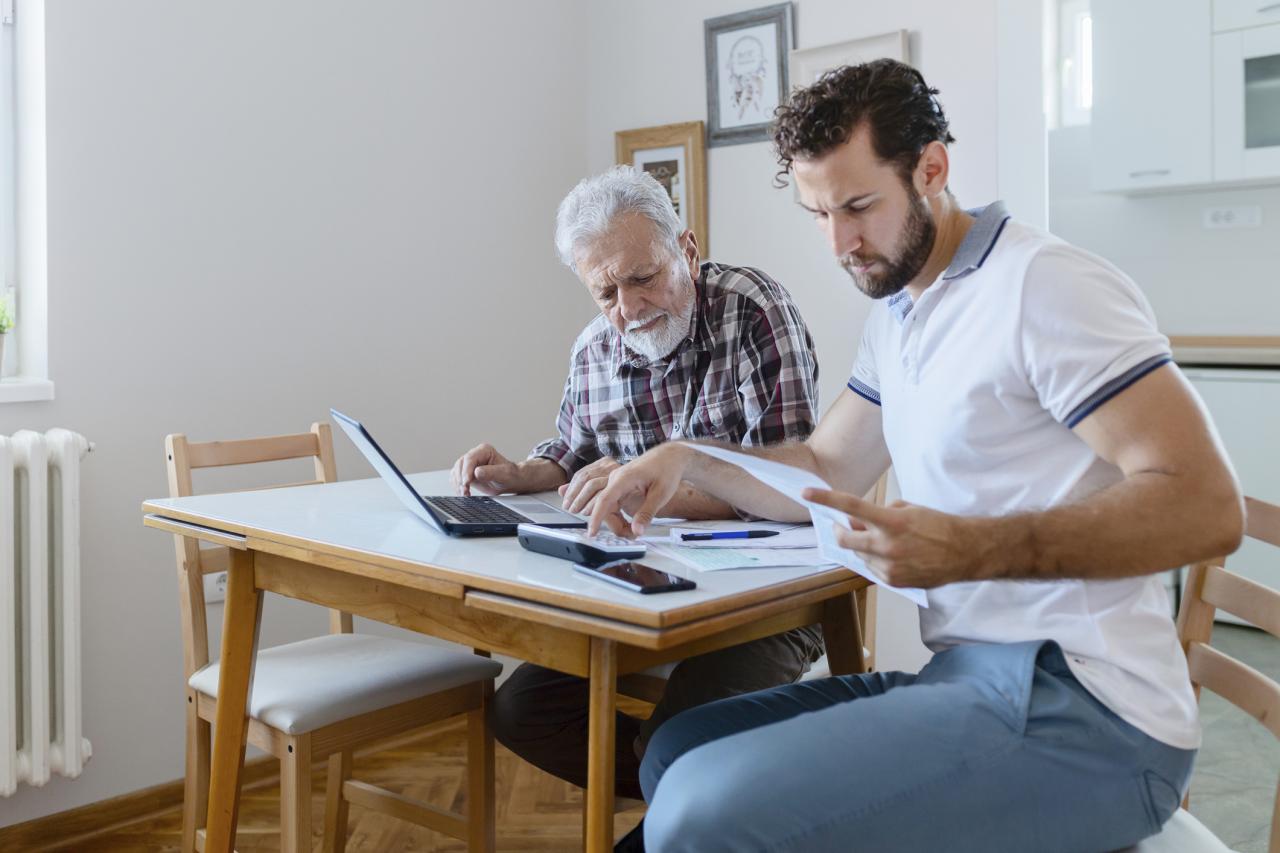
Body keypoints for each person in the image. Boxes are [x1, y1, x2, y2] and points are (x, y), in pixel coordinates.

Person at [589, 59, 1244, 852]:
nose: (840, 243)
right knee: (674, 749)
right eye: (818, 212)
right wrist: (685, 454)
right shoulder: (900, 312)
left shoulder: (1045, 287)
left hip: (1094, 712)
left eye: (859, 206)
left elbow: (1207, 504)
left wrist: (970, 546)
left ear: (932, 168)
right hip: (968, 680)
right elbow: (826, 472)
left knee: (698, 810)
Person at [450, 165, 825, 800]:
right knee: (522, 714)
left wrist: (655, 485)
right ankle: (690, 801)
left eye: (643, 278)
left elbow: (790, 493)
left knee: (674, 744)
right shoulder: (595, 348)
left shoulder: (755, 312)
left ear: (688, 250)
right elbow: (568, 454)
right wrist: (520, 474)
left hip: (770, 599)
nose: (628, 308)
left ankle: (688, 790)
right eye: (605, 292)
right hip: (645, 594)